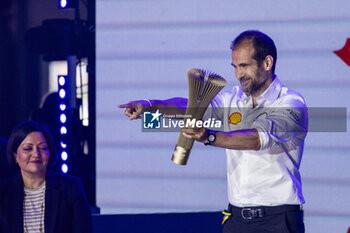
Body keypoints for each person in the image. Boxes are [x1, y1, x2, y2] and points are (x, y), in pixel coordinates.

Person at [118, 30, 308, 233]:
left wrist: (209, 137)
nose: (238, 74)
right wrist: (151, 105)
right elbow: (191, 107)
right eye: (235, 67)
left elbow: (256, 138)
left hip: (278, 221)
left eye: (244, 66)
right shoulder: (233, 100)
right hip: (236, 220)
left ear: (267, 63)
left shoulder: (290, 103)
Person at [0, 121, 92, 233]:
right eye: (28, 148)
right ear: (15, 155)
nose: (36, 154)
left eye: (43, 148)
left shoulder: (71, 187)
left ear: (50, 152)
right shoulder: (3, 192)